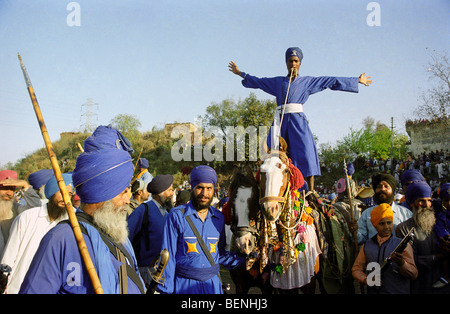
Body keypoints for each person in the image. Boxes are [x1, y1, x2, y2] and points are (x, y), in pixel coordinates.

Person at [19, 125, 145, 294]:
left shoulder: (122, 239)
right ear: (102, 193)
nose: (127, 200)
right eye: (122, 192)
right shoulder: (61, 239)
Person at [229, 47, 372, 191]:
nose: (293, 64)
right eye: (290, 61)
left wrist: (356, 81)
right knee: (270, 152)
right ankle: (268, 189)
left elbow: (329, 81)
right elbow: (258, 82)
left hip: (298, 121)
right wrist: (240, 73)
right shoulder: (278, 82)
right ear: (286, 63)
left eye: (296, 61)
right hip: (280, 121)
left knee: (306, 152)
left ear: (300, 63)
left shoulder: (307, 82)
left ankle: (310, 191)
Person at [157, 165, 246, 294]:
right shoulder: (176, 216)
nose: (205, 194)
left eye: (209, 188)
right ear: (193, 188)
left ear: (213, 190)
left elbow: (218, 254)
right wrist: (166, 290)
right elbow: (167, 257)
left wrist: (243, 260)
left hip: (212, 285)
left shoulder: (219, 218)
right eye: (200, 188)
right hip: (184, 285)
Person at [0, 174, 72, 294]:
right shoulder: (27, 217)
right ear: (52, 192)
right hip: (17, 287)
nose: (65, 197)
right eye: (61, 191)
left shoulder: (68, 224)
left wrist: (25, 185)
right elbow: (9, 257)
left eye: (69, 193)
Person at [396, 181, 450, 293]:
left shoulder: (439, 222)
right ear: (411, 203)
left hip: (443, 285)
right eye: (421, 201)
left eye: (429, 200)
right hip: (418, 285)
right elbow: (409, 261)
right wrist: (438, 257)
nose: (426, 205)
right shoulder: (404, 229)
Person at [352, 203, 418, 294]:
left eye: (389, 223)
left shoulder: (402, 245)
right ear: (375, 225)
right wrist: (366, 280)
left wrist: (402, 263)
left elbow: (413, 274)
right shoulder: (367, 245)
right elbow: (356, 269)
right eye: (382, 223)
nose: (386, 227)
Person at [127, 174, 175, 287]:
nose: (173, 193)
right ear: (160, 192)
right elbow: (127, 236)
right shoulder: (144, 210)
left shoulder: (168, 213)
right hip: (145, 271)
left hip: (163, 270)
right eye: (170, 190)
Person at [355, 173, 412, 245]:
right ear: (375, 190)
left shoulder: (405, 213)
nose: (382, 189)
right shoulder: (367, 214)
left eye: (386, 186)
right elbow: (360, 240)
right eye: (379, 187)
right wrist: (354, 231)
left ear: (392, 190)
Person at [0, 170, 41, 255]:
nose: (8, 193)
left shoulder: (16, 208)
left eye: (11, 189)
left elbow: (36, 207)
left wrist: (25, 185)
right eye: (4, 188)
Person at [432, 183, 450, 288]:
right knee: (444, 250)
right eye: (446, 200)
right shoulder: (442, 215)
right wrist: (446, 237)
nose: (449, 203)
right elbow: (439, 228)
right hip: (446, 241)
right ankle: (446, 276)